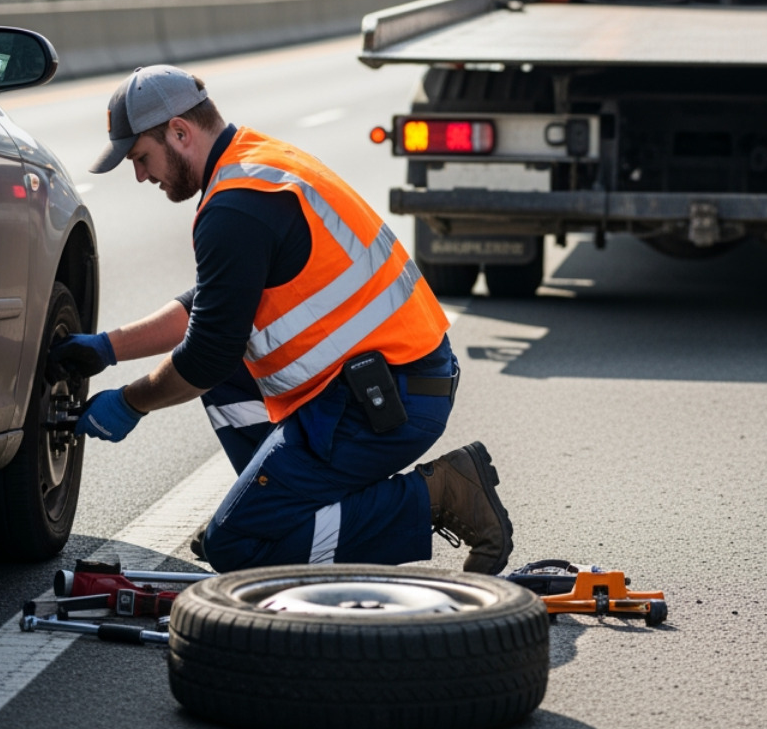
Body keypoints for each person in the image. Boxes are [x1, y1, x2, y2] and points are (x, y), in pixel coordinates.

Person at [49, 65, 512, 574]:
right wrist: (110, 347)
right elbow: (211, 305)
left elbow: (206, 354)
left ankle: (440, 496)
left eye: (141, 157)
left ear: (180, 132)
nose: (140, 175)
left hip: (385, 401)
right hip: (389, 377)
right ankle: (267, 510)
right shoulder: (253, 162)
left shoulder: (236, 208)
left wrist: (132, 402)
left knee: (237, 550)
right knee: (227, 376)